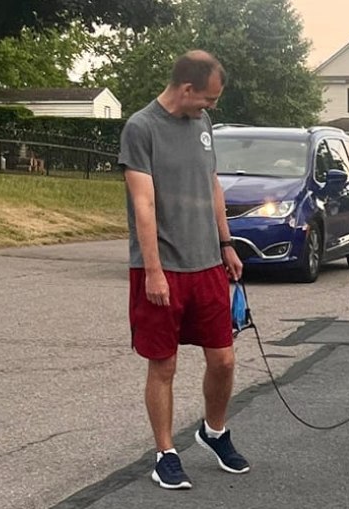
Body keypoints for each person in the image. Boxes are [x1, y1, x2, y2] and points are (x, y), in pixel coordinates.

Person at [118, 50, 248, 490]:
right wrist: (153, 270)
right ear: (187, 89)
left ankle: (214, 432)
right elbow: (143, 203)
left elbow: (211, 182)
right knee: (164, 365)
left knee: (225, 359)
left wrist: (226, 242)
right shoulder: (141, 128)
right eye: (208, 99)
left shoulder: (203, 125)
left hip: (207, 262)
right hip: (162, 268)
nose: (211, 107)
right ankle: (166, 453)